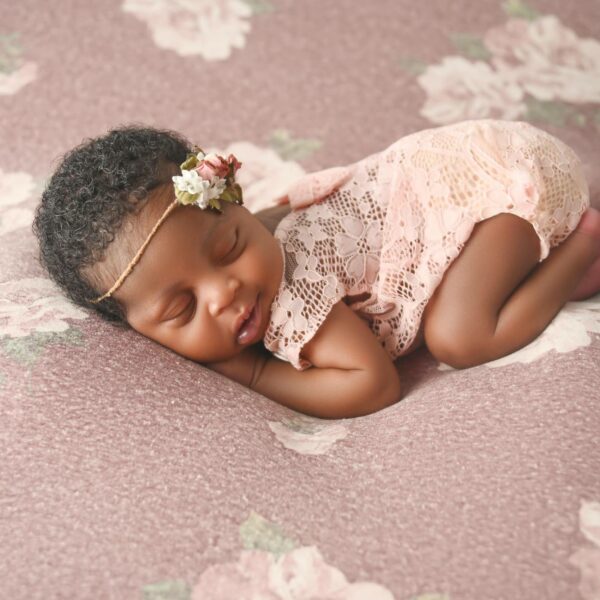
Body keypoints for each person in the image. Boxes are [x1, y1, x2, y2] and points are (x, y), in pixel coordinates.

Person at [34, 120, 600, 419]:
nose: (227, 293)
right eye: (183, 308)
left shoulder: (294, 294)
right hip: (479, 166)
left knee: (460, 336)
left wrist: (255, 375)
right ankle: (546, 260)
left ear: (238, 202)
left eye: (231, 246)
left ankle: (581, 243)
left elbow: (373, 385)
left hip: (501, 183)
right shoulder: (248, 238)